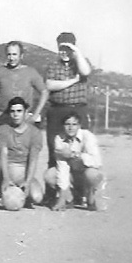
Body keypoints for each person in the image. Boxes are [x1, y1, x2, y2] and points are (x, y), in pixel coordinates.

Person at [45, 32, 92, 173]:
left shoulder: (80, 63)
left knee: (80, 149)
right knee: (55, 149)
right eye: (61, 49)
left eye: (67, 49)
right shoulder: (53, 65)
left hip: (78, 111)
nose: (64, 52)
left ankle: (78, 189)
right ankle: (52, 191)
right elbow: (50, 85)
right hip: (57, 111)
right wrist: (73, 81)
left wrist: (76, 52)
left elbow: (86, 71)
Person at [45, 111, 103, 211]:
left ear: (79, 125)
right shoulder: (59, 139)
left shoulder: (88, 136)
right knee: (50, 175)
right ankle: (70, 198)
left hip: (86, 173)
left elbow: (97, 162)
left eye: (74, 124)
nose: (70, 127)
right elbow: (62, 167)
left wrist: (75, 155)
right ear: (63, 126)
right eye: (67, 124)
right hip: (71, 174)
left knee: (93, 174)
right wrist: (61, 198)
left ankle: (90, 197)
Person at [0, 41, 48, 126]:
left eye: (14, 54)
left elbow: (44, 92)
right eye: (9, 54)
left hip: (23, 118)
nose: (11, 58)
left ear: (21, 56)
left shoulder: (30, 72)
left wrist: (35, 114)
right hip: (3, 117)